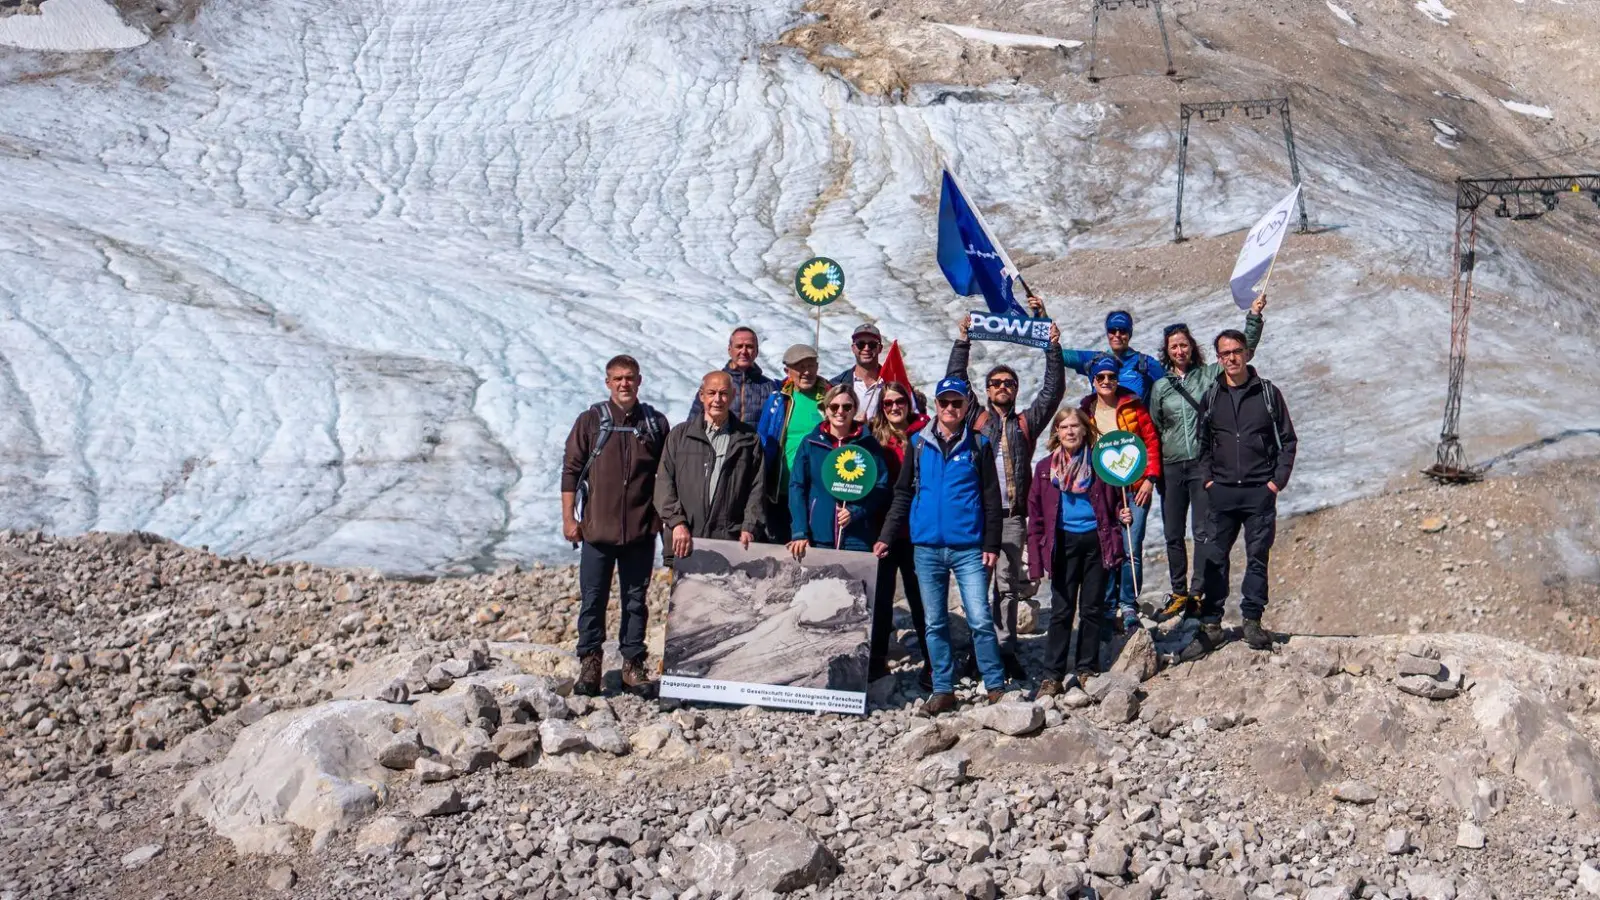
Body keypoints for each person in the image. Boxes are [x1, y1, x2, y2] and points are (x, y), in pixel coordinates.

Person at [875, 377, 1007, 716]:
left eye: (957, 403)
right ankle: (943, 689)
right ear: (935, 405)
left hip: (968, 548)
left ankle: (995, 686)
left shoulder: (979, 445)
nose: (950, 408)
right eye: (944, 402)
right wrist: (888, 535)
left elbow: (992, 498)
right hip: (927, 548)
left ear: (966, 407)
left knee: (978, 618)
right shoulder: (918, 443)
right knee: (934, 622)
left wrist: (991, 542)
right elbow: (904, 493)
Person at [947, 314, 1064, 680]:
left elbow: (1052, 391)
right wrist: (962, 341)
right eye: (995, 383)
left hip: (1012, 515)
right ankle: (977, 651)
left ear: (1014, 389)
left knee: (1008, 586)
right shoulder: (976, 418)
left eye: (1008, 383)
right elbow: (956, 380)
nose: (1002, 387)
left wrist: (1052, 347)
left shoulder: (1027, 423)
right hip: (979, 515)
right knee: (976, 586)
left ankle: (1006, 649)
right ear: (986, 389)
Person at [1148, 298, 1266, 622]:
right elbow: (1156, 427)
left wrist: (1253, 317)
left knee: (1203, 530)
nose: (1180, 351)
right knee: (1173, 531)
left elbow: (1243, 352)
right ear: (1167, 351)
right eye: (1174, 346)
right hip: (1172, 466)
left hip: (1201, 463)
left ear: (1192, 347)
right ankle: (1178, 591)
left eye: (1184, 345)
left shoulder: (1208, 376)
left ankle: (1198, 592)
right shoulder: (1160, 388)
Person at [560, 355, 670, 696]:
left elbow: (667, 476)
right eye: (618, 378)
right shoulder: (590, 421)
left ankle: (633, 664)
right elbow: (571, 471)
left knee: (636, 600)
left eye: (630, 378)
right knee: (593, 598)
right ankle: (590, 661)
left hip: (639, 530)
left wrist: (663, 524)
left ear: (640, 381)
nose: (625, 383)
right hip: (597, 530)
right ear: (608, 382)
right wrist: (569, 518)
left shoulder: (655, 423)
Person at [1197, 329, 1297, 651]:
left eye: (1236, 351)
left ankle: (1252, 621)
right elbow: (1201, 445)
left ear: (1247, 353)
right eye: (1224, 353)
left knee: (1257, 557)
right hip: (1222, 491)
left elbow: (1288, 440)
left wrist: (1275, 482)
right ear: (1218, 358)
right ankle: (1211, 622)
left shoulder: (1267, 393)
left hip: (1258, 492)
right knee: (1215, 556)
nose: (1231, 358)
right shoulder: (1212, 395)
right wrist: (1208, 480)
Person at [1026, 408, 1132, 695]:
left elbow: (1113, 503)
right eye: (1064, 427)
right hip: (1063, 542)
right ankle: (1052, 675)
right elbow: (1035, 515)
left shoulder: (1101, 465)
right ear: (1057, 432)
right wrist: (1036, 557)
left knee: (1091, 608)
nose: (1070, 431)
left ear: (1085, 430)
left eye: (1075, 426)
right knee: (1061, 610)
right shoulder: (1046, 468)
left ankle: (1087, 668)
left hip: (1096, 541)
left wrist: (1122, 514)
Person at [1078, 354, 1162, 634]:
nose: (1106, 382)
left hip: (1135, 486)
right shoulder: (1086, 413)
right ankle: (1107, 603)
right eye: (1100, 377)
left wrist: (1150, 479)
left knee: (1130, 546)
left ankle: (1128, 604)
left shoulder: (1134, 407)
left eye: (1111, 377)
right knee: (1107, 546)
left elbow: (1150, 440)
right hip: (1102, 491)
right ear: (1093, 381)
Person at [656, 371, 766, 561]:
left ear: (732, 396)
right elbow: (664, 483)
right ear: (701, 396)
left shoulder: (748, 439)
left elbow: (757, 488)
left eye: (723, 393)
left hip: (728, 543)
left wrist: (750, 526)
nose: (717, 399)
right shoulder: (680, 435)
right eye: (711, 393)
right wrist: (677, 523)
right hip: (685, 539)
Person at [866, 381, 931, 685]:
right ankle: (876, 660)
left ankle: (933, 661)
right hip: (882, 530)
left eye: (899, 401)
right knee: (881, 599)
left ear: (909, 403)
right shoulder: (872, 439)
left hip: (918, 531)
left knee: (922, 599)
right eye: (888, 403)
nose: (894, 407)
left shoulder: (924, 435)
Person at [787, 384, 889, 556]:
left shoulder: (869, 445)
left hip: (857, 537)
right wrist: (800, 531)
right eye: (834, 406)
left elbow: (881, 486)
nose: (840, 411)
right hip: (819, 536)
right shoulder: (811, 443)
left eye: (847, 407)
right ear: (826, 410)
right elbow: (797, 486)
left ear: (854, 409)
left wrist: (856, 511)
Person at [756, 345, 830, 544]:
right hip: (782, 492)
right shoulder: (778, 400)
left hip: (819, 493)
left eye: (810, 365)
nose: (806, 372)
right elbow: (763, 440)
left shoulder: (831, 399)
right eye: (799, 367)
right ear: (787, 371)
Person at [1061, 310, 1166, 402]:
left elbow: (1172, 388)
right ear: (1107, 333)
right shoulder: (1094, 360)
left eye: (1123, 330)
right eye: (1112, 330)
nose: (1117, 335)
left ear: (1130, 333)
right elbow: (1055, 354)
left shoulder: (1146, 363)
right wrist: (1044, 319)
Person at [689, 326, 780, 424]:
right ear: (729, 350)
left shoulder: (770, 388)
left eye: (749, 346)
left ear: (757, 351)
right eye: (739, 346)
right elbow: (693, 423)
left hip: (755, 439)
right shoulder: (712, 383)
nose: (744, 351)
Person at [832, 323, 887, 422]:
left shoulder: (892, 382)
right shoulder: (836, 385)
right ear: (853, 348)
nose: (866, 348)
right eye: (860, 344)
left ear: (880, 348)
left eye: (872, 344)